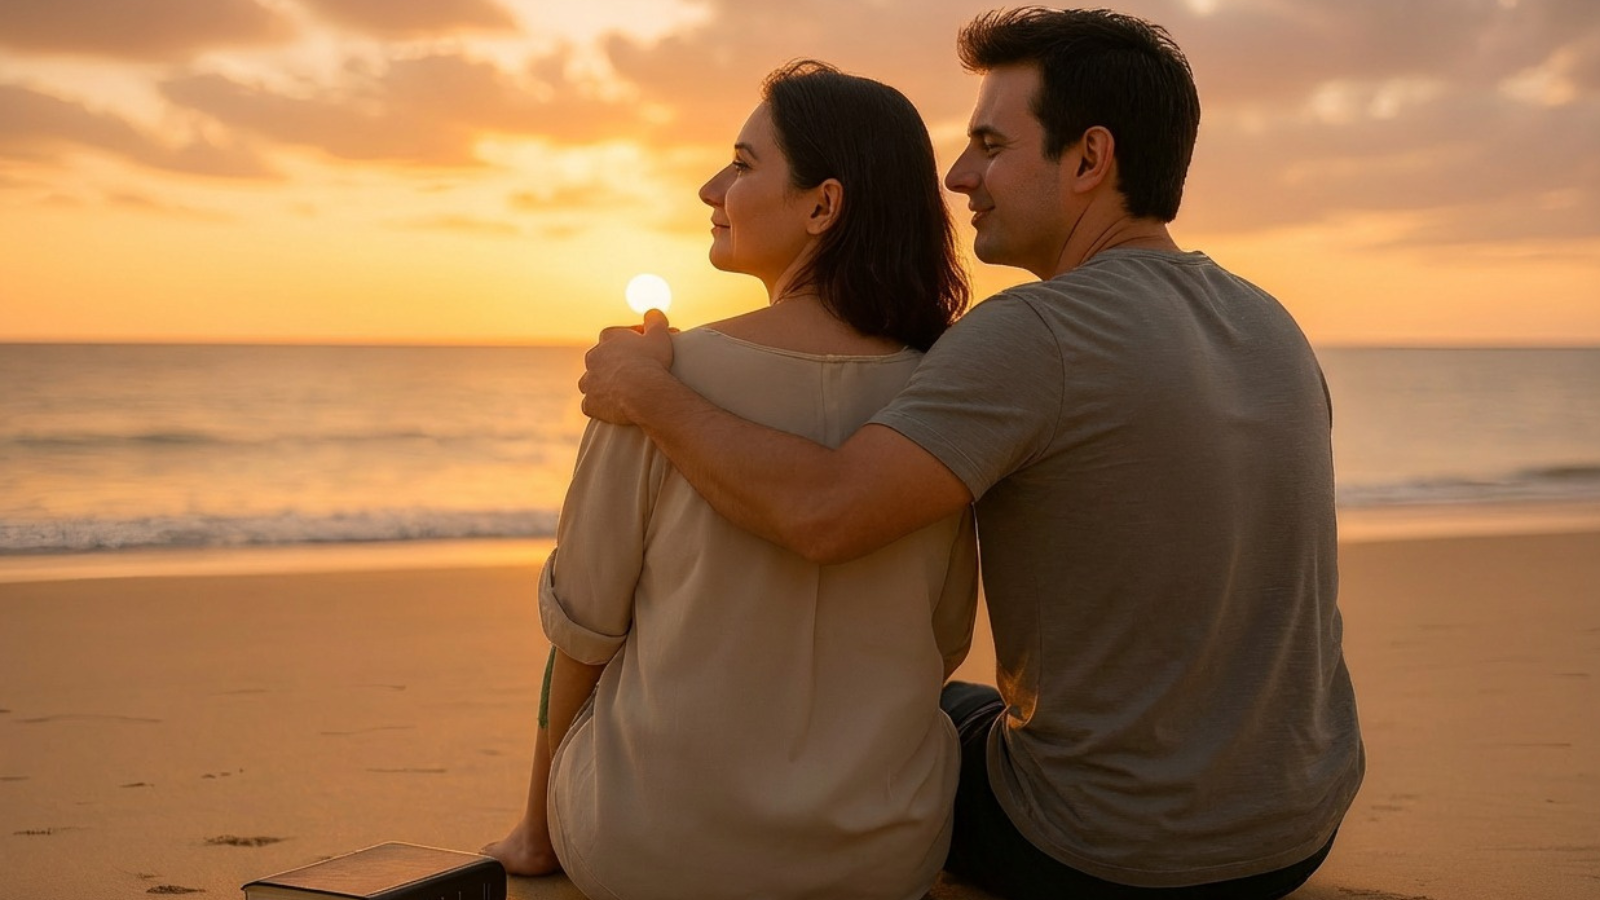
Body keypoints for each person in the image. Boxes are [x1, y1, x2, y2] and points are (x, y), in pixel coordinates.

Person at [576, 8, 1364, 900]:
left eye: (990, 144)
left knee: (912, 728)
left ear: (1088, 159)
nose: (959, 176)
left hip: (1109, 853)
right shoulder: (1269, 322)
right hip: (1297, 824)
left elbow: (825, 513)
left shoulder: (1034, 332)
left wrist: (649, 393)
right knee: (963, 712)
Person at [483, 61, 979, 900]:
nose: (712, 187)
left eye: (744, 165)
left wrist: (537, 827)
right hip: (881, 859)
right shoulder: (948, 394)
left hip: (652, 854)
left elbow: (582, 624)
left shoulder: (657, 375)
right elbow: (946, 633)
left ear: (824, 206)